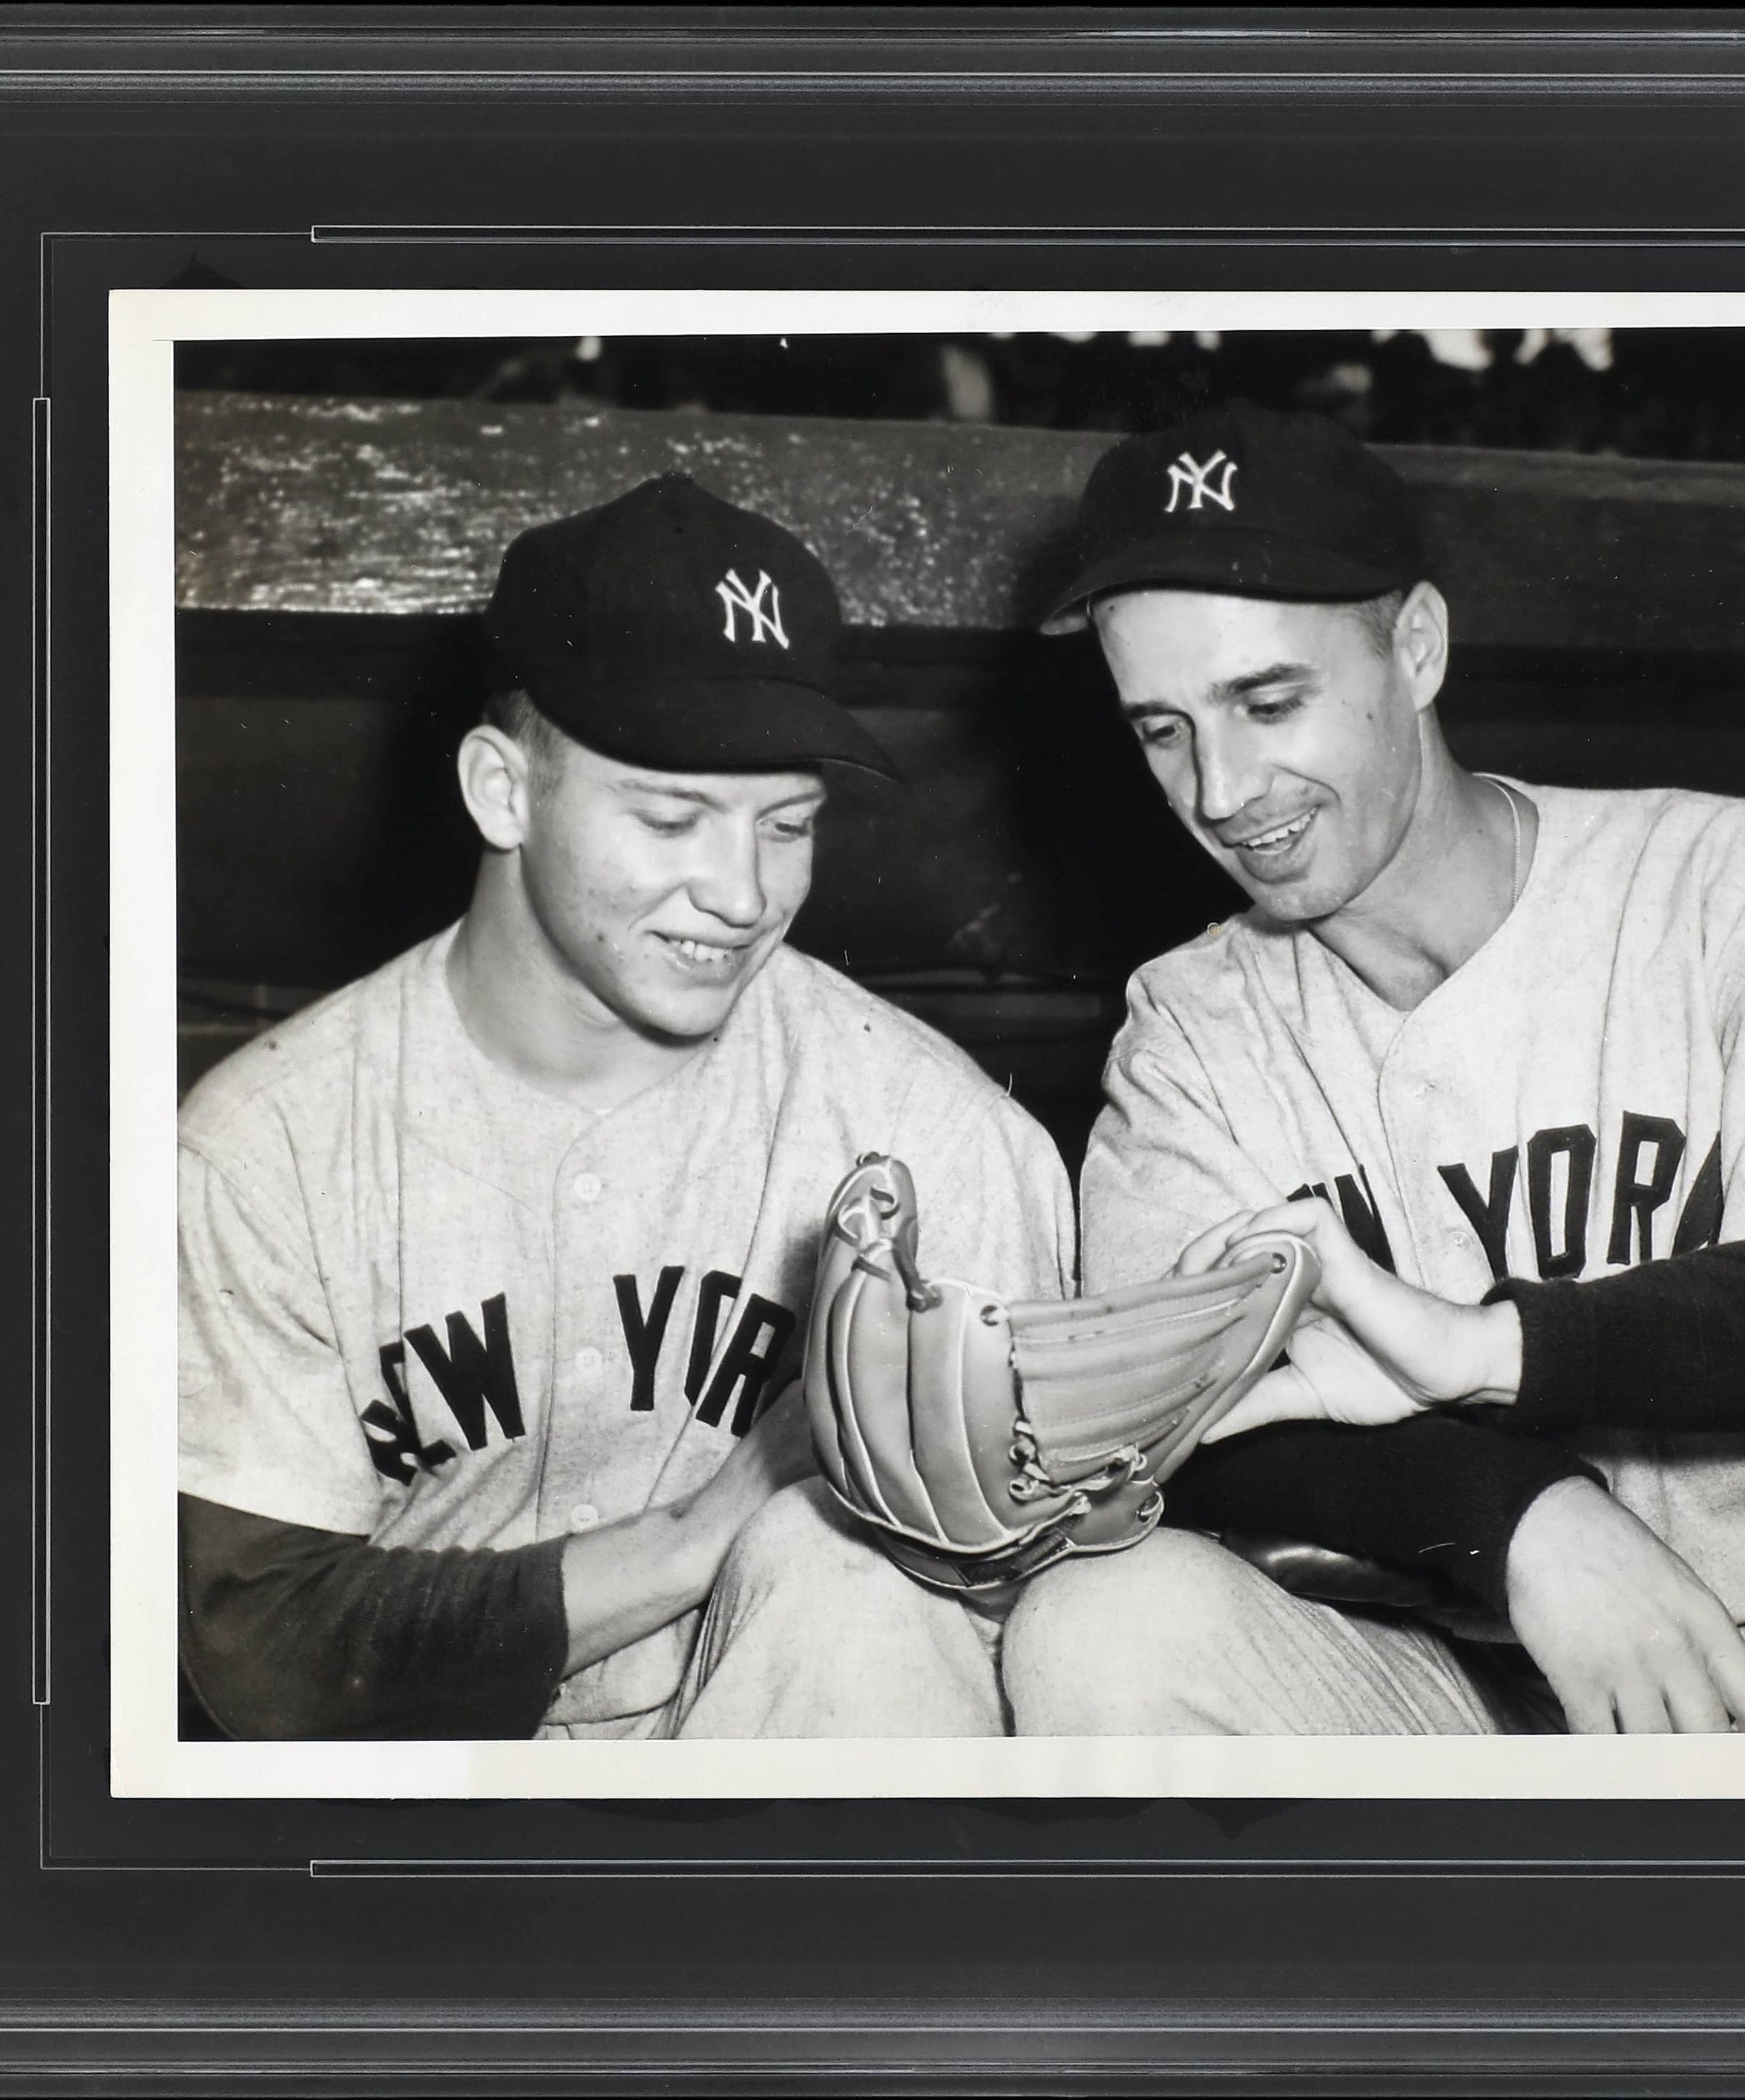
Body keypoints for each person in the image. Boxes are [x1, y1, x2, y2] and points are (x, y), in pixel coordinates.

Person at [1032, 403, 1745, 1734]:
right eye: (1162, 729)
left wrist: (1499, 1352)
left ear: (1419, 647)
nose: (1220, 789)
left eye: (1269, 701)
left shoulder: (1721, 883)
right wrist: (1529, 1523)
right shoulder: (1196, 1025)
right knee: (1102, 1622)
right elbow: (1181, 1431)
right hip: (1465, 1700)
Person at [174, 475, 1072, 1741]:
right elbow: (265, 1652)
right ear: (503, 791)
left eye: (788, 824)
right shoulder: (266, 1146)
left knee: (848, 1585)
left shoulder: (936, 1129)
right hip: (427, 1816)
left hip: (796, 1786)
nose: (742, 892)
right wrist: (725, 1514)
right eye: (672, 816)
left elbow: (1015, 1607)